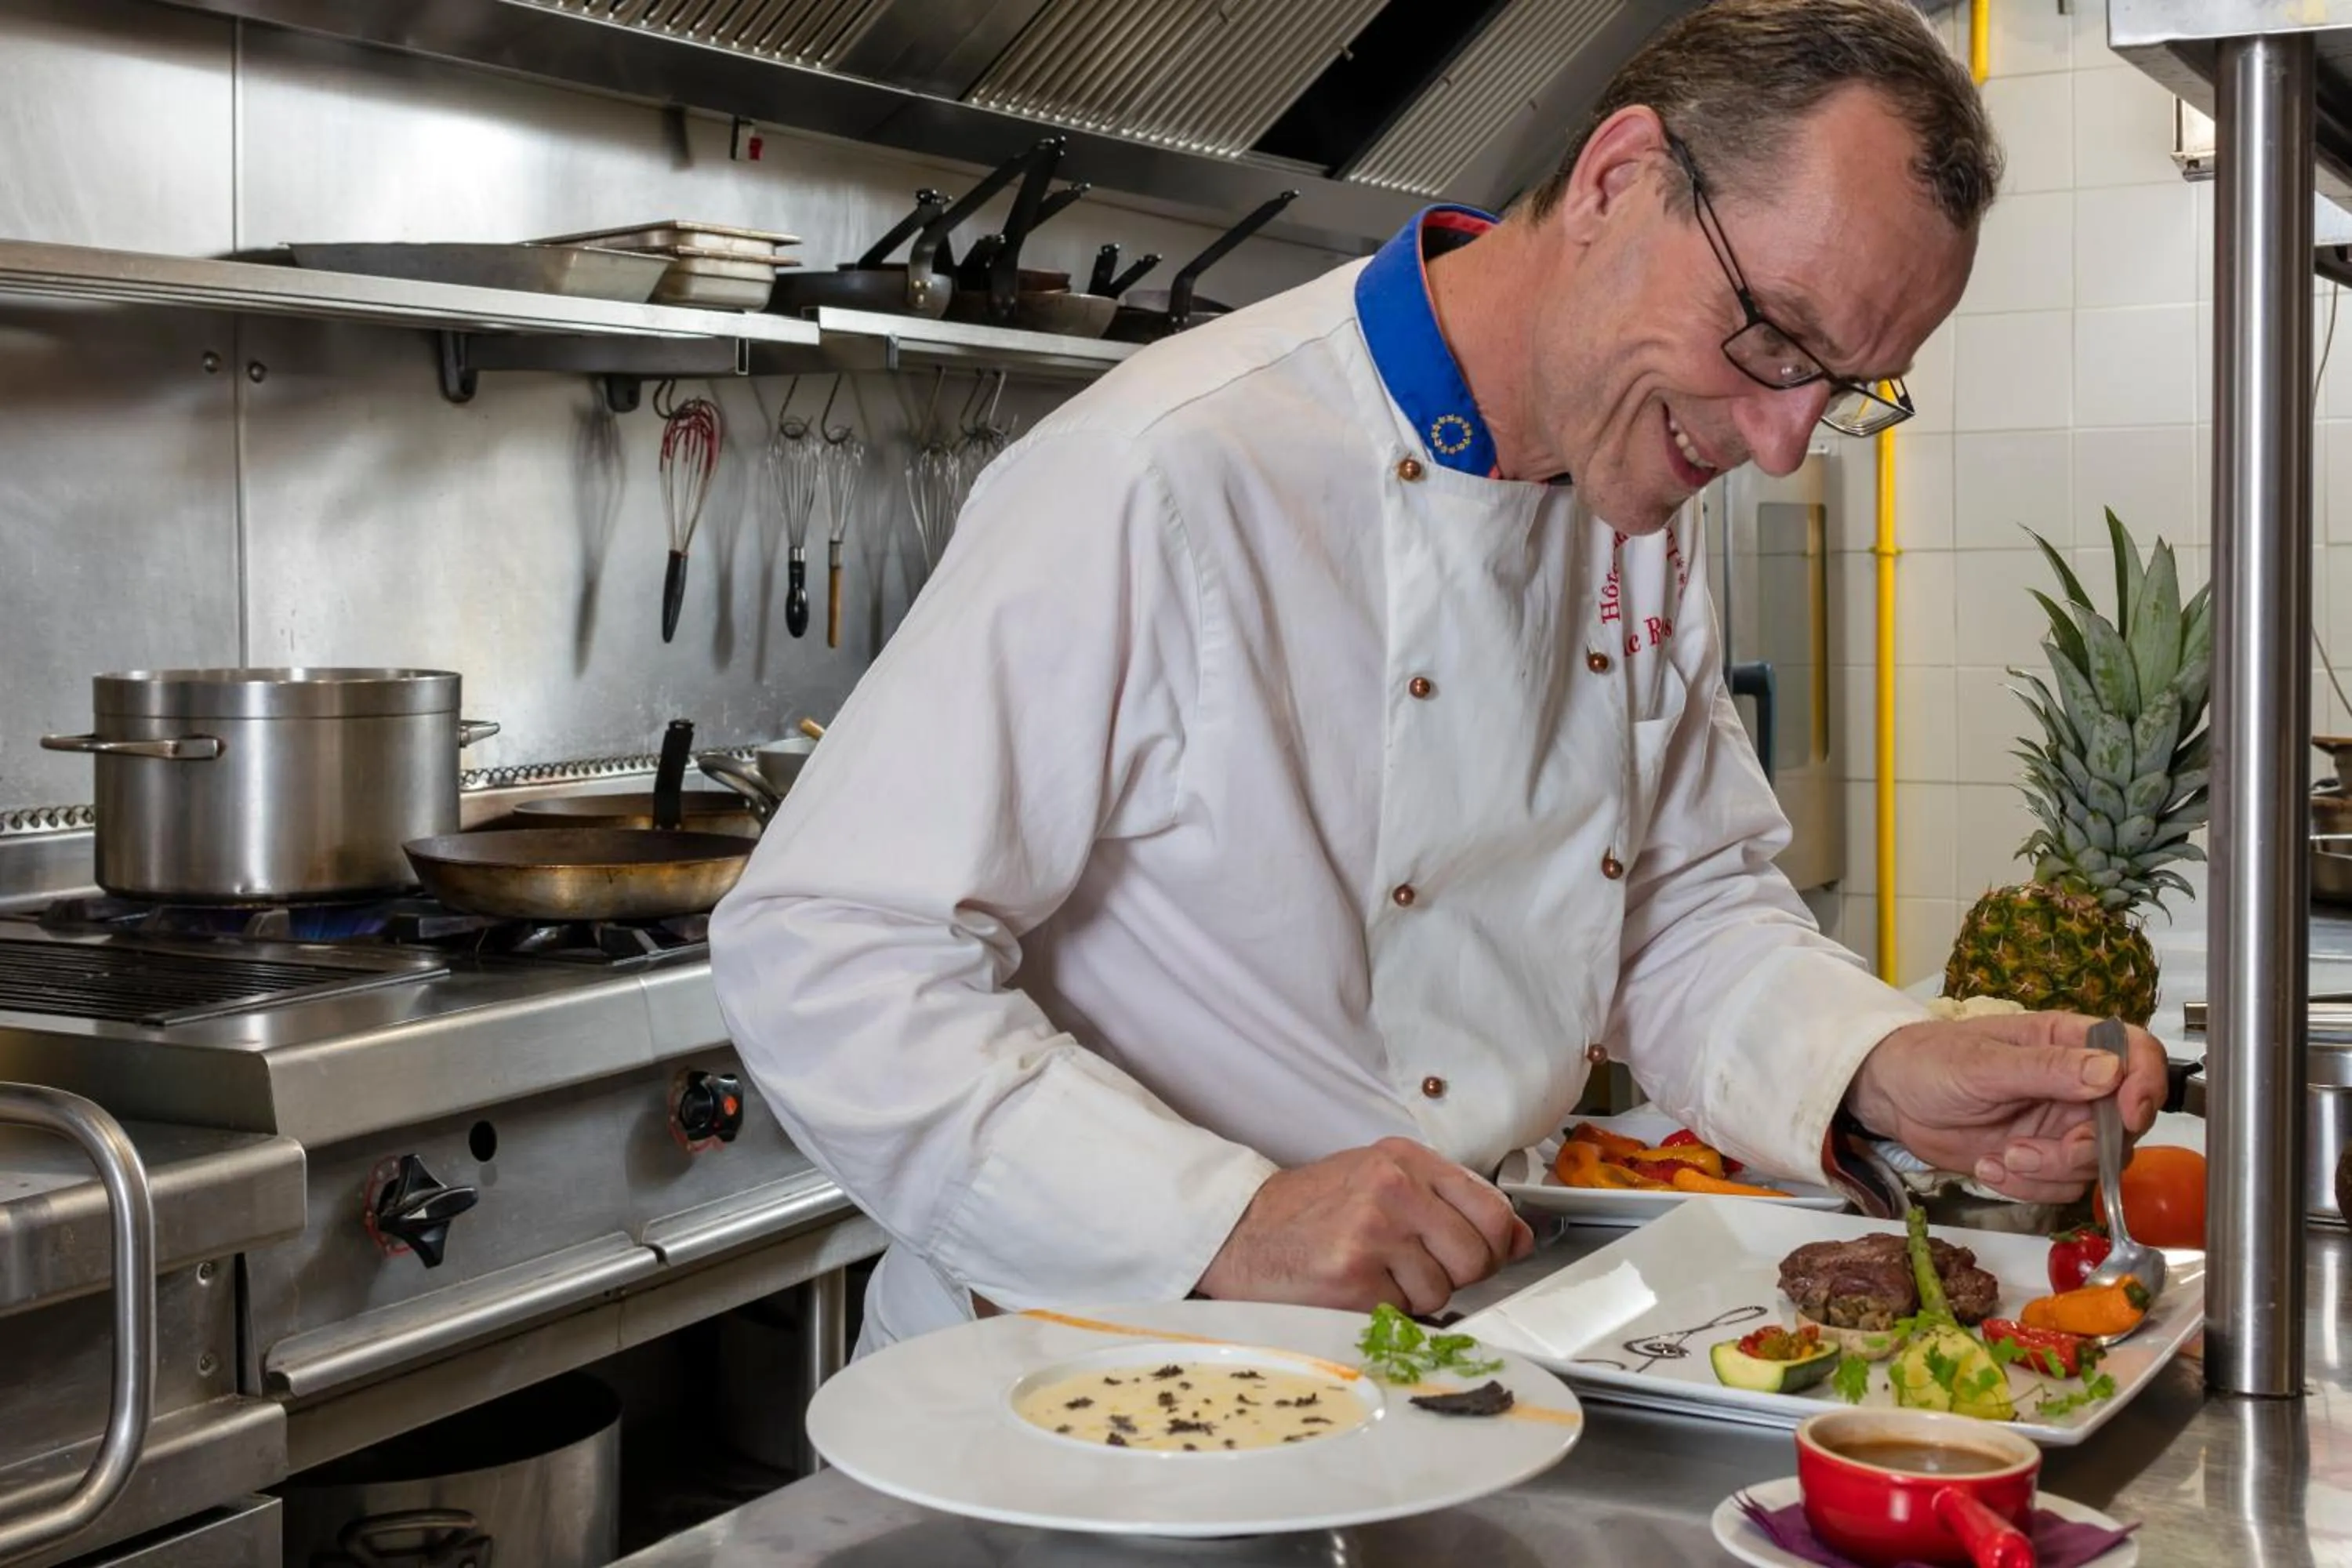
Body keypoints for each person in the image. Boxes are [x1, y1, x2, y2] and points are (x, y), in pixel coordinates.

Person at [710, 0, 2172, 1352]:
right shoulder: (1170, 470)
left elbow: (1673, 907)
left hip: (1456, 1337)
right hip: (1093, 1371)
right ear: (1614, 182)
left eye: (1842, 387)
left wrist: (1881, 1065)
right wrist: (1215, 1216)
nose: (1783, 439)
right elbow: (827, 943)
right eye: (1773, 336)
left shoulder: (1638, 483)